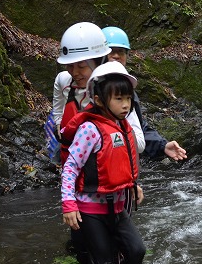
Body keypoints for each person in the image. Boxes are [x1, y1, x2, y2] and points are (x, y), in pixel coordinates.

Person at [60, 61, 149, 264]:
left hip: (117, 206)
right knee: (102, 260)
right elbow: (71, 168)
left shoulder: (123, 126)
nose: (125, 105)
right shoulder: (90, 129)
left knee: (136, 250)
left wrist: (133, 185)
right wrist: (68, 204)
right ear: (99, 100)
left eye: (128, 99)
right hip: (90, 210)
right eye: (119, 99)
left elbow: (118, 164)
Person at [48, 22, 145, 164]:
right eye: (70, 65)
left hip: (104, 169)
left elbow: (140, 145)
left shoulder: (113, 93)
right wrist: (58, 121)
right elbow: (58, 92)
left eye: (81, 66)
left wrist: (105, 132)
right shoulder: (64, 80)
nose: (74, 72)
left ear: (98, 62)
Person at [102, 26, 188, 162]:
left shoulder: (127, 89)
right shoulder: (88, 86)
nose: (116, 56)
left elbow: (138, 127)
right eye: (111, 51)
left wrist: (162, 145)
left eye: (121, 52)